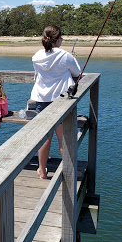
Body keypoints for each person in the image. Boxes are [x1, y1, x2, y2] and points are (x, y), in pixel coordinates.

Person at [30, 25, 81, 179]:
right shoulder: (65, 56)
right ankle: (70, 171)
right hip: (60, 100)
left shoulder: (37, 56)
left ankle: (42, 170)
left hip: (41, 100)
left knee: (46, 137)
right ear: (58, 39)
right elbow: (77, 73)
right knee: (63, 137)